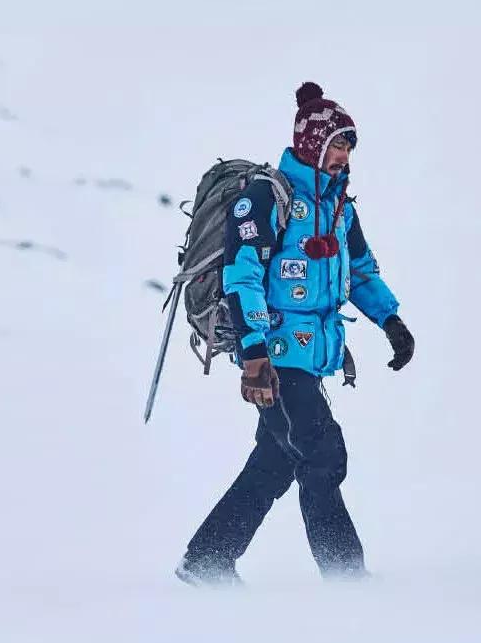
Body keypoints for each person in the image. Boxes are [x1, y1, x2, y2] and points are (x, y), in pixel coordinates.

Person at [175, 82, 415, 587]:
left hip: (310, 359)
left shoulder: (339, 208)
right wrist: (255, 356)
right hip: (276, 357)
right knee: (323, 454)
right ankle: (347, 579)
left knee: (276, 461)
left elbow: (362, 273)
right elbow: (241, 277)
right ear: (311, 144)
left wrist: (390, 321)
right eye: (336, 143)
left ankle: (207, 561)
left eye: (349, 145)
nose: (343, 155)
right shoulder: (264, 199)